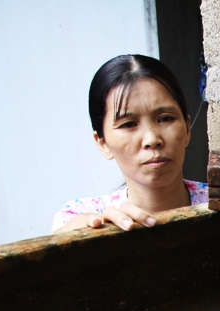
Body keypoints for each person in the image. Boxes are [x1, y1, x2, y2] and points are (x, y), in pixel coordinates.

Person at [52, 55, 207, 233]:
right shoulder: (81, 217)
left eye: (165, 119)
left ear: (187, 129)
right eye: (128, 124)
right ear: (102, 143)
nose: (152, 139)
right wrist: (88, 236)